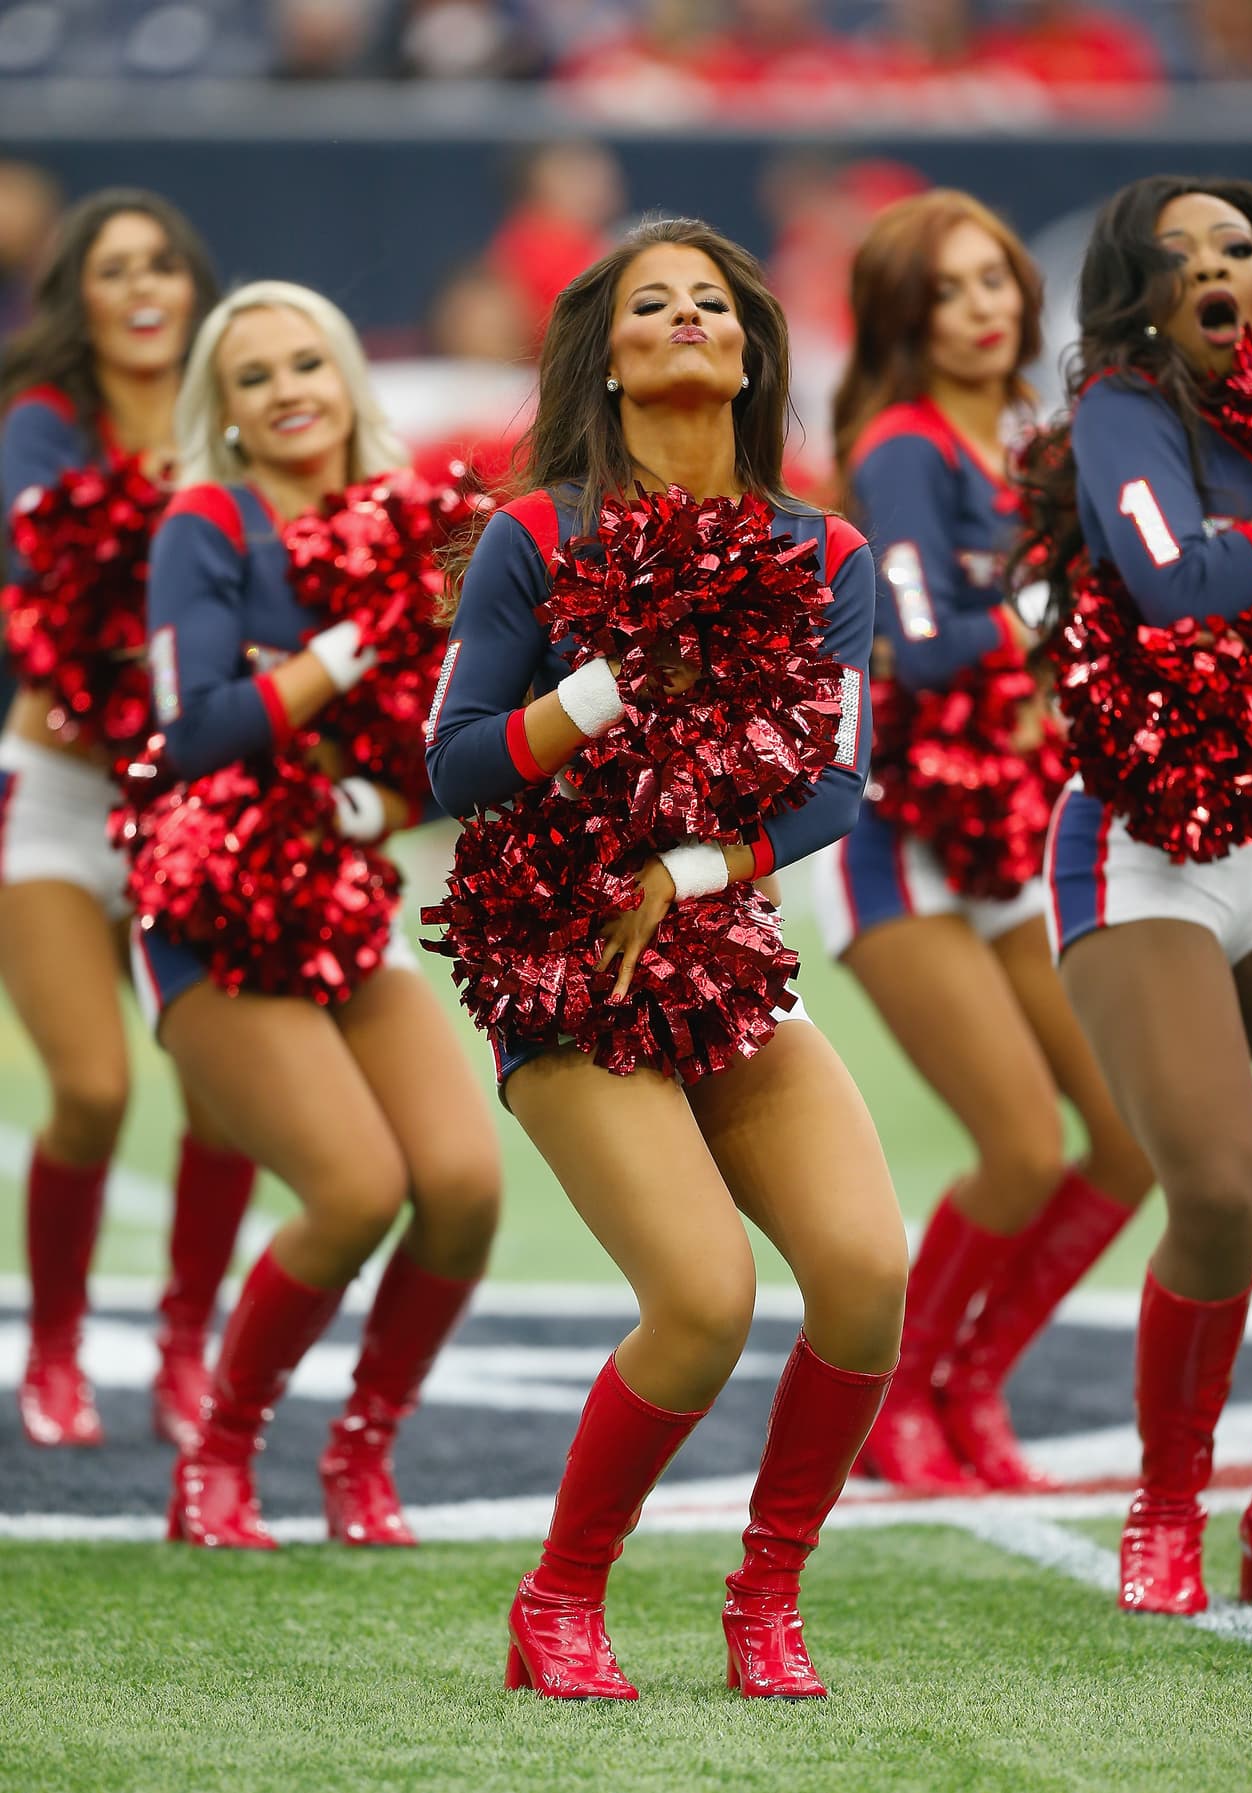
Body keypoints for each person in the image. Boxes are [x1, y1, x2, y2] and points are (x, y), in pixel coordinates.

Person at [425, 217, 907, 1700]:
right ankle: (560, 1598)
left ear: (751, 354)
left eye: (712, 302)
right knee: (701, 1302)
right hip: (560, 955)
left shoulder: (821, 552)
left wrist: (690, 869)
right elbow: (453, 766)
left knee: (867, 1271)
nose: (687, 317)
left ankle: (767, 1598)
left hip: (713, 940)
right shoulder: (537, 536)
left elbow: (834, 783)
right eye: (653, 303)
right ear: (611, 360)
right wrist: (598, 693)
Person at [144, 280, 501, 1548]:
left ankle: (362, 1453)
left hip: (342, 896)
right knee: (353, 1188)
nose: (288, 389)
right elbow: (197, 734)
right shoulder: (207, 522)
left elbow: (443, 747)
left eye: (308, 361)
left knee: (461, 1184)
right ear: (224, 414)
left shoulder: (420, 523)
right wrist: (351, 647)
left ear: (351, 375)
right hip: (212, 906)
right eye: (254, 377)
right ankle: (219, 1455)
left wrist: (362, 790)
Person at [815, 190, 1152, 1493]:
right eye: (948, 290)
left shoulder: (1028, 438)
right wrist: (1051, 606)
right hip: (900, 837)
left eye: (996, 281)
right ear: (905, 316)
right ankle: (897, 1403)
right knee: (1019, 1144)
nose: (984, 308)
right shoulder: (902, 448)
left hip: (1009, 825)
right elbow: (931, 645)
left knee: (1125, 1139)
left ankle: (970, 1381)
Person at [1014, 174, 1252, 1611]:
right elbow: (1171, 582)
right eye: (1177, 257)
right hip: (1145, 842)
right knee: (1226, 1192)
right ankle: (1169, 1502)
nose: (1212, 271)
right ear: (1139, 292)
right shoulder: (1127, 411)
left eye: (1235, 246)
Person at [0, 188, 261, 1455]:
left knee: (223, 1099)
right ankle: (52, 1348)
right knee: (93, 1089)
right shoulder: (45, 424)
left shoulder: (238, 418)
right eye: (114, 269)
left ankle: (182, 1346)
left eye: (164, 262)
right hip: (56, 796)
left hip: (194, 806)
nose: (145, 287)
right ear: (80, 299)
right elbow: (42, 575)